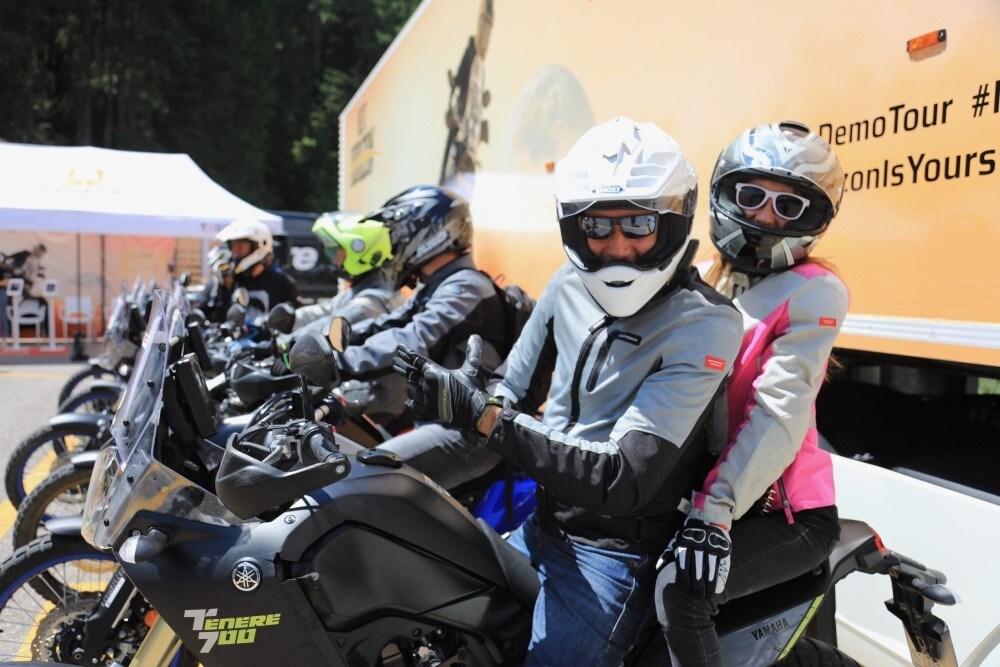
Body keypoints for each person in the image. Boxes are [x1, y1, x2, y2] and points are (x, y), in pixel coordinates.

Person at [394, 117, 744, 666]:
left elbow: (623, 477)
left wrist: (485, 418)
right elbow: (511, 387)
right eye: (597, 226)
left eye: (639, 223)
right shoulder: (567, 282)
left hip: (616, 553)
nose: (618, 247)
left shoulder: (706, 322)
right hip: (542, 524)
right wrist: (463, 398)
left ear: (673, 222)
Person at [654, 121, 849, 667]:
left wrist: (713, 514)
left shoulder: (815, 291)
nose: (765, 216)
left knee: (680, 589)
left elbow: (778, 414)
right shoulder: (704, 278)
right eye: (751, 196)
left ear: (812, 219)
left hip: (782, 513)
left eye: (788, 206)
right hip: (706, 495)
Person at [305, 185, 515, 479]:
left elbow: (413, 339)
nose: (392, 246)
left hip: (468, 431)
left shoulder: (466, 287)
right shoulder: (438, 285)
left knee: (355, 478)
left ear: (429, 234)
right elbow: (389, 324)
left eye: (397, 236)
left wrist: (339, 364)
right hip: (434, 419)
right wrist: (322, 346)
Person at [292, 211, 405, 331]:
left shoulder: (372, 301)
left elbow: (329, 329)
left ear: (359, 251)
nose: (334, 259)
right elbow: (328, 309)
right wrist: (291, 318)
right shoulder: (361, 287)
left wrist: (288, 340)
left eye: (336, 250)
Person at [215, 218, 299, 321]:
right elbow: (215, 318)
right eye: (233, 246)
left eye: (241, 246)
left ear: (260, 245)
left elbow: (295, 319)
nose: (235, 251)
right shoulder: (227, 280)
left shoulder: (281, 282)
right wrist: (224, 289)